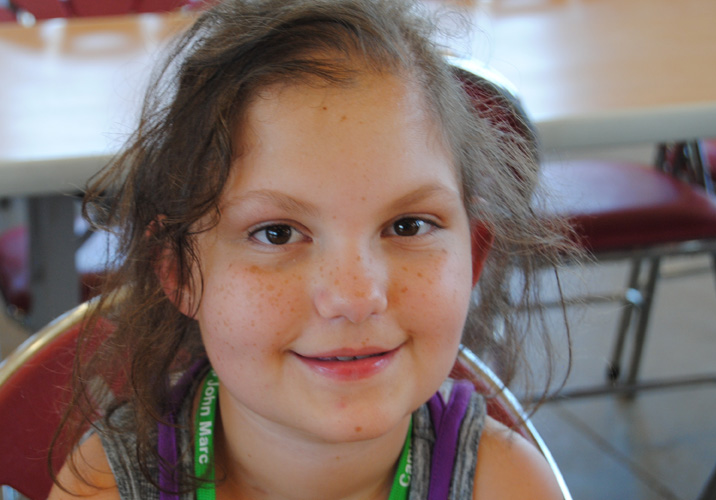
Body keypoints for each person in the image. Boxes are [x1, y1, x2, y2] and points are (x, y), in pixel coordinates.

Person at [48, 0, 574, 498]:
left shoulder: (509, 488)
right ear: (180, 272)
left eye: (409, 225)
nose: (355, 296)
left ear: (473, 258)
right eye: (276, 233)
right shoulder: (107, 489)